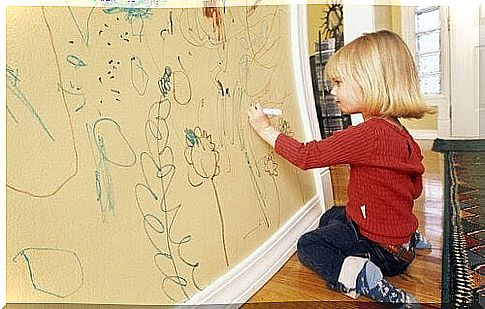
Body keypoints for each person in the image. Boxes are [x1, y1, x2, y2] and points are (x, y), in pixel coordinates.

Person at [247, 30, 435, 306]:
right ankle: (407, 239)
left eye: (338, 82)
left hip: (381, 252)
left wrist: (266, 129)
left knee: (309, 245)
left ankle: (361, 278)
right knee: (333, 216)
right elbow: (413, 189)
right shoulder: (402, 134)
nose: (332, 91)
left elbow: (306, 156)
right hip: (398, 243)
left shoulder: (367, 135)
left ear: (369, 83)